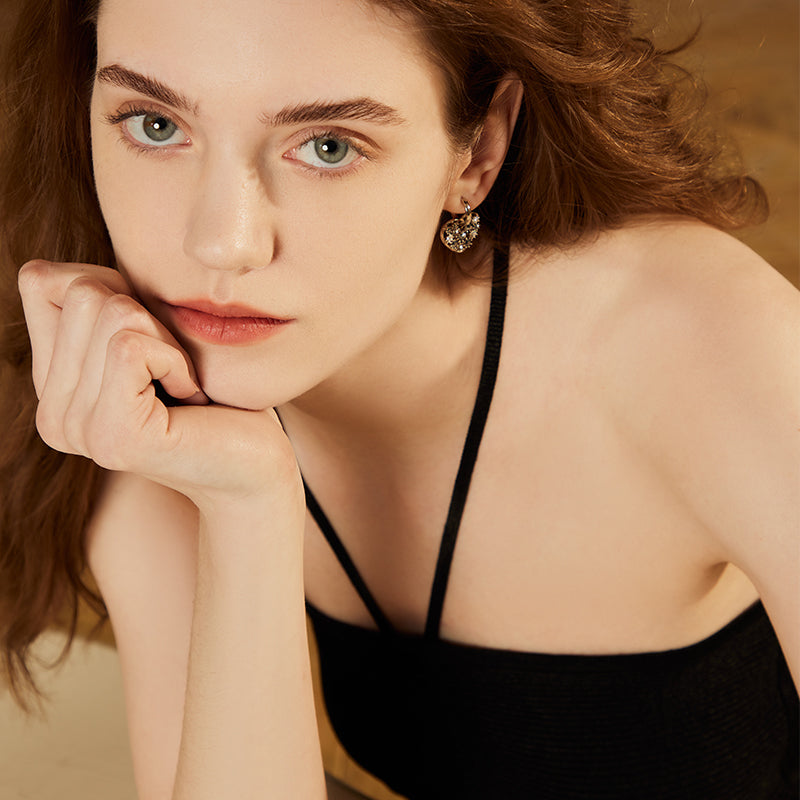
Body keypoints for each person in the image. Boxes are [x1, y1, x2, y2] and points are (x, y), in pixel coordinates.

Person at [0, 0, 797, 797]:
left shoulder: (708, 346)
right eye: (155, 125)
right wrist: (248, 505)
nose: (221, 243)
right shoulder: (141, 394)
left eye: (328, 145)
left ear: (477, 154)